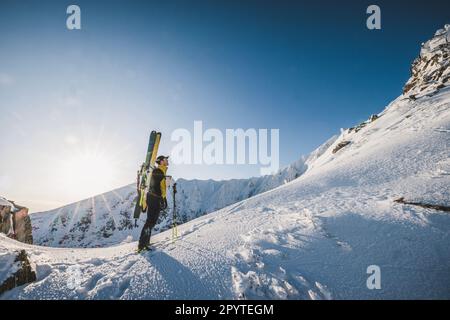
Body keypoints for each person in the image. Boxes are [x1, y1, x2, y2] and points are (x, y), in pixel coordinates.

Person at [137, 155, 169, 252]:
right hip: (154, 199)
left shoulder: (161, 171)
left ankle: (146, 242)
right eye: (165, 159)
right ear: (161, 161)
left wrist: (163, 199)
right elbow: (154, 186)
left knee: (152, 221)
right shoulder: (158, 171)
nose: (167, 160)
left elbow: (161, 188)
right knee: (150, 222)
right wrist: (159, 198)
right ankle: (142, 245)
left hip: (155, 198)